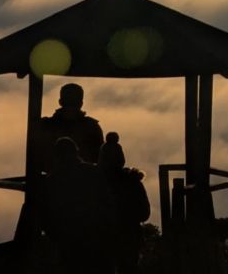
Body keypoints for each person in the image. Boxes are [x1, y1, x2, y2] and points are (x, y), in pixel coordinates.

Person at [36, 136, 117, 274]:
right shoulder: (93, 172)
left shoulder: (53, 180)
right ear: (76, 152)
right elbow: (108, 204)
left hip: (69, 242)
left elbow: (45, 214)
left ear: (57, 155)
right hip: (97, 239)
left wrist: (56, 236)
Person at [98, 132, 151, 274]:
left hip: (100, 240)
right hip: (129, 238)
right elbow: (145, 213)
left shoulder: (93, 182)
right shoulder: (132, 181)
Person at [37, 82, 105, 170]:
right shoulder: (92, 127)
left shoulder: (46, 125)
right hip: (81, 180)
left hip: (54, 180)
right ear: (81, 103)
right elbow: (100, 159)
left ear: (60, 102)